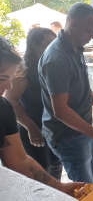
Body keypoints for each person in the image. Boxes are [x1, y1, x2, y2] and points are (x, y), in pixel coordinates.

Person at [38, 2, 93, 184]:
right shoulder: (56, 59)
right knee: (84, 188)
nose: (92, 37)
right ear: (73, 24)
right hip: (67, 136)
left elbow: (80, 84)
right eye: (89, 31)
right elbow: (60, 111)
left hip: (84, 129)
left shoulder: (76, 48)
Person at [0, 35, 83, 195]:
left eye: (11, 78)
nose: (9, 85)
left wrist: (59, 187)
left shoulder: (4, 108)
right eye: (3, 78)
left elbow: (19, 159)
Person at [4, 28, 63, 180]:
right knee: (42, 169)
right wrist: (31, 127)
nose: (54, 46)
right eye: (49, 43)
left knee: (56, 167)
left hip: (53, 129)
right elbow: (10, 99)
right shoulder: (24, 71)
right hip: (34, 129)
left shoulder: (53, 65)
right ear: (35, 45)